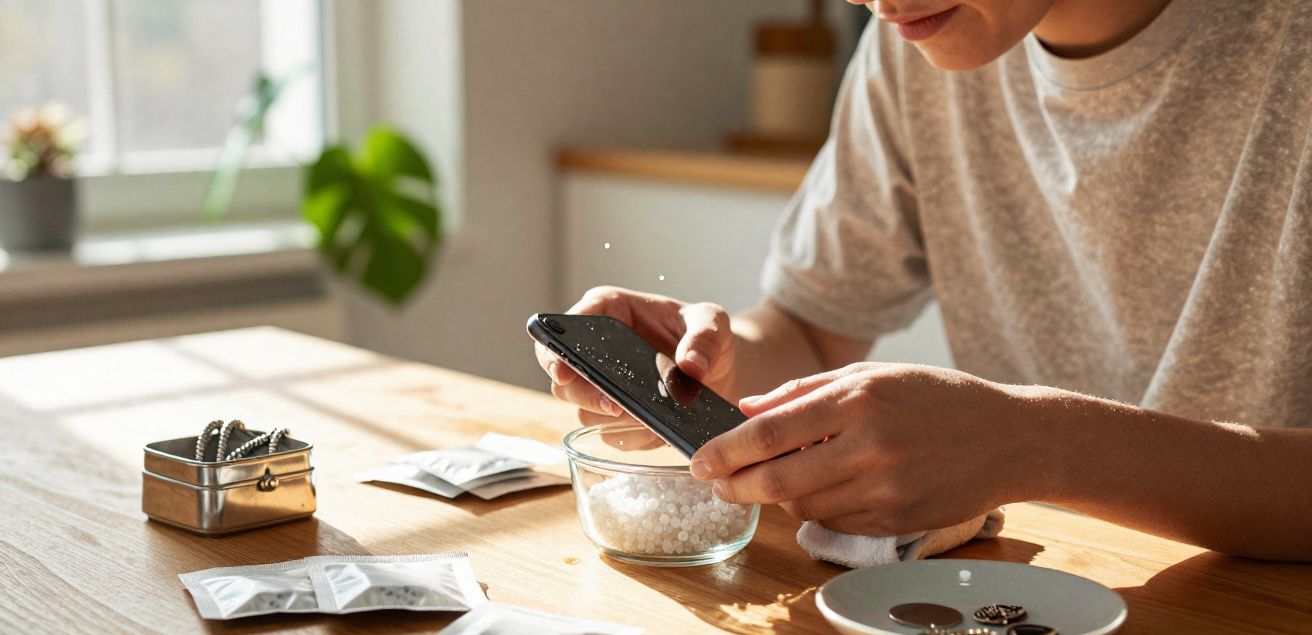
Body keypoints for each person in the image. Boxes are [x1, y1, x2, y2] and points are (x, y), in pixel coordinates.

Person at [535, 0, 1312, 561]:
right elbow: (811, 326)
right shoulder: (911, 47)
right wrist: (713, 370)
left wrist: (1037, 442)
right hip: (1013, 610)